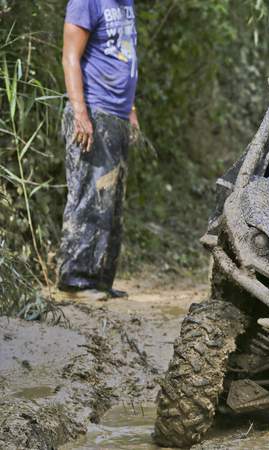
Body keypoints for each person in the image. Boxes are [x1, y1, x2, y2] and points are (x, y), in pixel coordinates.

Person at [58, 0, 139, 300]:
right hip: (93, 110)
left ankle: (100, 279)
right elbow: (70, 57)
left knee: (111, 203)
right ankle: (75, 280)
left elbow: (125, 55)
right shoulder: (86, 2)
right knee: (89, 198)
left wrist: (131, 109)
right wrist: (80, 112)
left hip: (117, 115)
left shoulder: (125, 3)